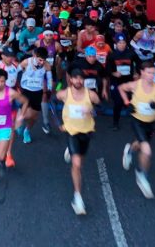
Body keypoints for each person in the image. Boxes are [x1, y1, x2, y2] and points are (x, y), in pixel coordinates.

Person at [119, 60, 155, 199]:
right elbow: (121, 88)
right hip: (137, 121)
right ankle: (142, 175)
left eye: (153, 73)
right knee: (146, 150)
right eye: (149, 73)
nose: (151, 75)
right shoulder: (135, 85)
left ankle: (129, 150)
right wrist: (126, 102)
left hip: (151, 123)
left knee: (140, 143)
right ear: (142, 73)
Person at [58, 67, 101, 215]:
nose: (78, 81)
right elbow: (53, 99)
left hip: (87, 132)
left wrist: (91, 111)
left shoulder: (92, 95)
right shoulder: (64, 94)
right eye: (75, 78)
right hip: (71, 132)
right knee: (76, 164)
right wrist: (62, 122)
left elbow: (98, 109)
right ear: (71, 80)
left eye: (81, 78)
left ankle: (70, 151)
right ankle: (77, 197)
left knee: (80, 160)